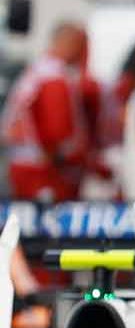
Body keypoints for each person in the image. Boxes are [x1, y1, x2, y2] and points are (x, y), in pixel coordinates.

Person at [1, 22, 103, 203]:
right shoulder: (53, 77)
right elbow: (55, 128)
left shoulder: (38, 70)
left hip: (25, 162)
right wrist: (66, 161)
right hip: (42, 170)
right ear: (68, 43)